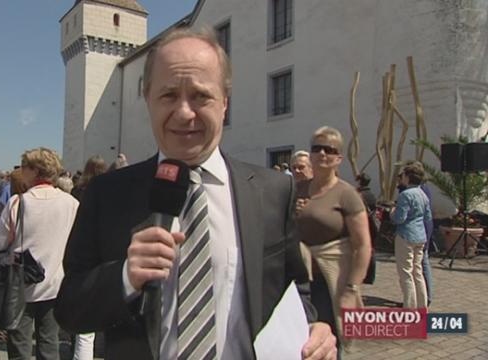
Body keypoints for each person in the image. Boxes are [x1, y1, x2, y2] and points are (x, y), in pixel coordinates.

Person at [55, 28, 336, 360]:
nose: (185, 112)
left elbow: (297, 290)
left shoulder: (273, 191)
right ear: (148, 99)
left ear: (225, 103)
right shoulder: (108, 193)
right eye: (169, 95)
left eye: (201, 96)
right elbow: (70, 309)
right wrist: (125, 277)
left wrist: (316, 327)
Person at [0, 148, 85, 360]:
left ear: (34, 170)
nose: (21, 171)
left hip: (20, 283)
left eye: (24, 167)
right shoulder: (72, 204)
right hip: (56, 282)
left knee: (19, 342)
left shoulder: (18, 202)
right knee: (49, 342)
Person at [295, 126, 371, 353]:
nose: (322, 154)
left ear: (339, 158)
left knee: (329, 344)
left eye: (329, 149)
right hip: (299, 282)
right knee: (303, 341)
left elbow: (363, 246)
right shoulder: (296, 189)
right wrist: (292, 214)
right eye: (317, 148)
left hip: (331, 283)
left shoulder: (347, 194)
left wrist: (351, 289)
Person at [390, 161, 431, 309]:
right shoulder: (423, 195)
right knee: (417, 272)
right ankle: (422, 306)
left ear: (408, 177)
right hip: (420, 236)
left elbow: (399, 218)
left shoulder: (406, 195)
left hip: (405, 235)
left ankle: (409, 307)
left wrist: (392, 212)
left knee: (406, 273)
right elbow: (428, 217)